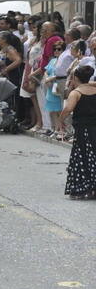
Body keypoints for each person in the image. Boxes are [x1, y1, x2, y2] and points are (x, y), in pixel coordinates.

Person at [58, 65, 96, 198]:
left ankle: (83, 187)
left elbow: (68, 109)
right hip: (94, 127)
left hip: (82, 130)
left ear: (75, 78)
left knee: (83, 157)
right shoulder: (94, 89)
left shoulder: (76, 93)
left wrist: (60, 119)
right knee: (93, 156)